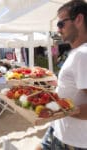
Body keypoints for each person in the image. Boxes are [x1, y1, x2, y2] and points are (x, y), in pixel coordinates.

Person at [36, 0, 87, 149]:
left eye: (60, 24)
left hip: (73, 141)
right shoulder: (77, 52)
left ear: (78, 19)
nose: (58, 30)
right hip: (58, 129)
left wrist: (57, 108)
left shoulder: (83, 54)